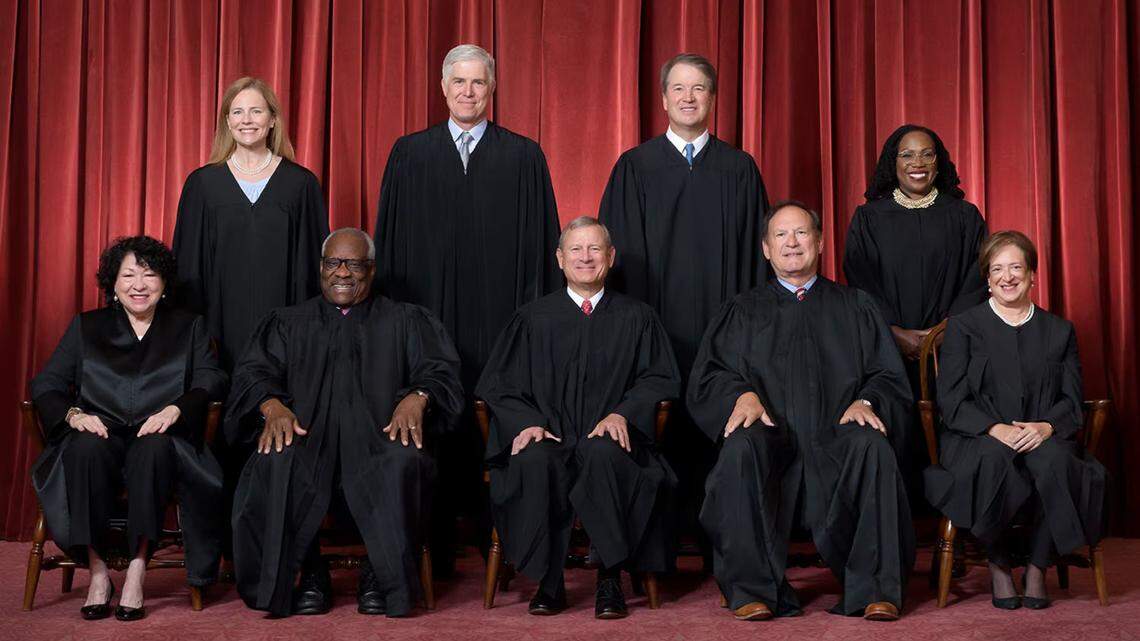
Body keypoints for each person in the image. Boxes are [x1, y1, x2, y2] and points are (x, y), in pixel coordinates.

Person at [373, 43, 561, 569]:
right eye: (459, 81)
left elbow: (543, 249)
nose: (468, 91)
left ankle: (498, 534)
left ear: (492, 89)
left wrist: (531, 329)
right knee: (429, 412)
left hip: (499, 321)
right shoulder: (409, 154)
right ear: (443, 88)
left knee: (494, 413)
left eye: (479, 82)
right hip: (427, 319)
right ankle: (429, 539)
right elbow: (388, 245)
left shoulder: (524, 157)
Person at [689, 201, 915, 621]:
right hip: (771, 436)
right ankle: (752, 589)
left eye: (801, 233)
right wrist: (741, 395)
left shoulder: (855, 306)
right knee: (740, 449)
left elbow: (887, 373)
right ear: (766, 248)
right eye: (781, 235)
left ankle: (875, 589)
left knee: (872, 446)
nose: (792, 243)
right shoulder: (742, 310)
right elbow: (711, 374)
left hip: (837, 435)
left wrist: (866, 400)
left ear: (820, 242)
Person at [226, 228, 464, 618]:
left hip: (380, 440)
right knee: (275, 461)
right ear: (321, 267)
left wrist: (418, 396)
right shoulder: (288, 322)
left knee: (403, 462)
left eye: (354, 264)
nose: (342, 273)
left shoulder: (405, 320)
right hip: (307, 439)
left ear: (371, 270)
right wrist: (271, 405)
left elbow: (441, 372)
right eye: (333, 263)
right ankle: (308, 573)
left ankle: (381, 575)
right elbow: (252, 374)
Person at [598, 52, 769, 558]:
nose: (688, 98)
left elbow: (758, 262)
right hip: (657, 331)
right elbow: (616, 263)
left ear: (713, 98)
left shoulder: (739, 169)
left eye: (699, 89)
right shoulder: (634, 167)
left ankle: (726, 547)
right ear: (663, 99)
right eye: (679, 88)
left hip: (724, 336)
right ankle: (655, 548)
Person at [477, 217, 681, 619]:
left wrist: (623, 413)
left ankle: (609, 578)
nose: (585, 257)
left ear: (611, 257)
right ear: (560, 258)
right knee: (537, 459)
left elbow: (660, 378)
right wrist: (527, 422)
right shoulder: (531, 319)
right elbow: (498, 385)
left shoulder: (638, 317)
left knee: (605, 454)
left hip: (608, 441)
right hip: (550, 435)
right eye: (576, 249)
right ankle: (549, 582)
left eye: (594, 249)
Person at [172, 76, 330, 565]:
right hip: (220, 335)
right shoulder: (202, 184)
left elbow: (316, 272)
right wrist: (197, 343)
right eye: (237, 112)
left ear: (273, 119)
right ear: (226, 121)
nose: (247, 120)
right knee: (222, 435)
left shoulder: (301, 184)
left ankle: (282, 550)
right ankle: (221, 551)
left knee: (283, 436)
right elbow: (187, 270)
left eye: (256, 111)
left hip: (284, 339)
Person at [30, 236, 227, 621]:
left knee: (153, 451)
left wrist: (177, 408)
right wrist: (72, 415)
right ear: (113, 284)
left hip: (158, 434)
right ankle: (98, 572)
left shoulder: (188, 327)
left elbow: (212, 378)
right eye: (129, 275)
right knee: (83, 449)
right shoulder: (87, 326)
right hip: (100, 431)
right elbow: (46, 383)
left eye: (149, 275)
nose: (139, 285)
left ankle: (137, 568)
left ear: (164, 283)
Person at [924, 231, 1107, 610]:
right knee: (993, 459)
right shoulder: (964, 326)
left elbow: (1071, 399)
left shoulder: (1059, 331)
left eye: (1016, 268)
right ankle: (999, 563)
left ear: (1032, 275)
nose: (1007, 277)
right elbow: (952, 400)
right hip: (977, 436)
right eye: (997, 269)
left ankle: (1037, 565)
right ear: (987, 279)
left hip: (1042, 434)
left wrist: (1046, 427)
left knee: (1056, 461)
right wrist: (995, 429)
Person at [843, 124, 988, 494]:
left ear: (939, 162)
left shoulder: (965, 216)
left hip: (951, 349)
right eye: (907, 155)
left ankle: (956, 505)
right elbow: (860, 282)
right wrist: (892, 332)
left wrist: (945, 332)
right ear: (893, 163)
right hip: (886, 348)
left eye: (926, 154)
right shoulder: (869, 218)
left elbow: (978, 278)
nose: (917, 163)